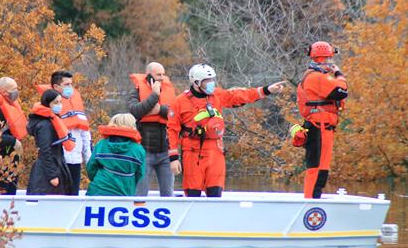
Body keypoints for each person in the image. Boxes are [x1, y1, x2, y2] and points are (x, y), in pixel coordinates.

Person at [167, 64, 286, 198]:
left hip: (215, 151)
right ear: (196, 82)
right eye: (207, 81)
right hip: (192, 152)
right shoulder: (179, 102)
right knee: (193, 192)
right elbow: (172, 130)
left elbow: (241, 96)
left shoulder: (217, 94)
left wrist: (267, 90)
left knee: (215, 192)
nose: (211, 83)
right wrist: (173, 158)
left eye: (212, 80)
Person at [297, 41, 348, 199]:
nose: (331, 63)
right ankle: (311, 202)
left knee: (321, 168)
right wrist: (339, 74)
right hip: (318, 126)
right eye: (329, 59)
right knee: (316, 168)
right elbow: (341, 91)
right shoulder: (316, 77)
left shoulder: (318, 76)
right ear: (322, 58)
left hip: (322, 126)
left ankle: (314, 199)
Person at [36, 71, 92, 195]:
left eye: (71, 84)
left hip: (75, 160)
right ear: (56, 87)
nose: (70, 88)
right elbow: (45, 146)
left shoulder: (76, 105)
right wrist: (52, 173)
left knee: (73, 197)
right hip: (59, 163)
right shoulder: (48, 111)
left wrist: (88, 160)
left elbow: (85, 134)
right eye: (67, 84)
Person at [128, 62, 176, 197]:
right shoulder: (136, 91)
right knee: (140, 193)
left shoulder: (169, 89)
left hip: (166, 151)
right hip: (144, 152)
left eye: (163, 74)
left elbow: (176, 114)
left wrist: (159, 109)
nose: (162, 77)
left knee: (168, 194)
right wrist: (154, 95)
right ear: (149, 75)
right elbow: (135, 112)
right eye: (158, 74)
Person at [0, 77, 27, 195]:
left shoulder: (8, 103)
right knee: (3, 193)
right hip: (0, 160)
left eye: (16, 88)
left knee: (11, 191)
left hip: (10, 158)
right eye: (13, 89)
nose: (16, 92)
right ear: (3, 92)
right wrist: (13, 141)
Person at [26, 89, 75, 195]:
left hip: (56, 164)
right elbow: (45, 150)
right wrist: (52, 175)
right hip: (47, 170)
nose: (59, 105)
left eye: (60, 102)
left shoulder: (51, 120)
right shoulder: (45, 125)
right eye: (56, 103)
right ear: (48, 104)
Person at [86, 113, 146, 196]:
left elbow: (91, 168)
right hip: (124, 193)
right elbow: (140, 174)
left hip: (97, 191)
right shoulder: (138, 149)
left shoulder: (101, 144)